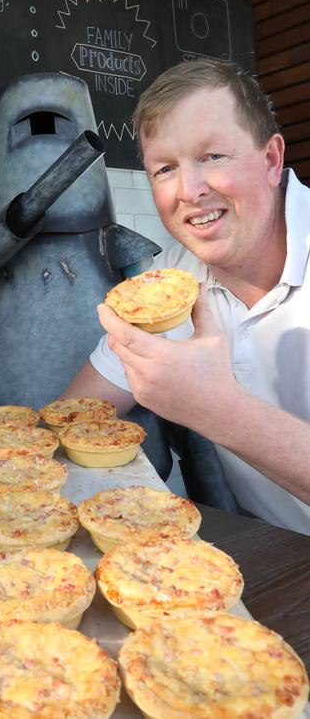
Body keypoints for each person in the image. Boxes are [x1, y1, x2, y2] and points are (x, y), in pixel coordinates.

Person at [63, 59, 310, 535]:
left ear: (272, 160)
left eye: (213, 156)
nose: (189, 191)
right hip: (276, 550)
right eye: (165, 169)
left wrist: (218, 410)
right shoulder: (172, 279)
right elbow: (76, 413)